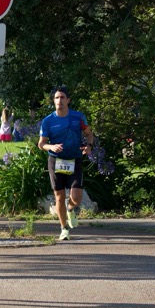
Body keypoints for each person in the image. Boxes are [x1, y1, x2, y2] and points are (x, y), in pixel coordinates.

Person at [38, 86, 93, 241]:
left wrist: (89, 146)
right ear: (53, 101)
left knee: (76, 197)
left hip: (74, 159)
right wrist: (51, 147)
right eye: (56, 98)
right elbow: (41, 144)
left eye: (62, 97)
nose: (59, 100)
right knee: (59, 196)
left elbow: (89, 134)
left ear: (68, 100)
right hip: (56, 160)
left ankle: (70, 209)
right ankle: (64, 229)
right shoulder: (48, 121)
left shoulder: (78, 117)